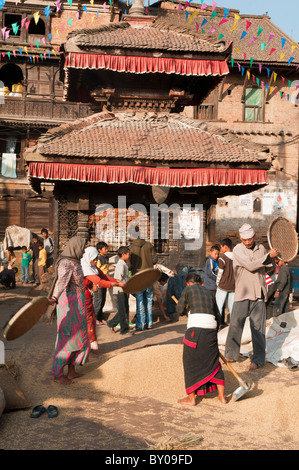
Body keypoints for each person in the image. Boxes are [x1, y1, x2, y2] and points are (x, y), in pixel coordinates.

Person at [224, 223, 278, 371]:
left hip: (259, 292)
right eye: (244, 240)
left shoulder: (261, 249)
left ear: (254, 236)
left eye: (249, 239)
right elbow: (251, 265)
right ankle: (230, 354)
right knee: (235, 324)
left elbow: (268, 269)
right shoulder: (237, 250)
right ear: (240, 238)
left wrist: (274, 260)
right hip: (243, 291)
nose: (247, 242)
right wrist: (268, 257)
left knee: (258, 328)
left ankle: (258, 360)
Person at [176, 272, 226, 406]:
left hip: (195, 332)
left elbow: (180, 310)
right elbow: (218, 315)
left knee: (190, 362)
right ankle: (222, 396)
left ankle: (191, 398)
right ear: (201, 283)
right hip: (211, 332)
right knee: (213, 362)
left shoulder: (188, 290)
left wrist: (186, 309)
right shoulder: (209, 293)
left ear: (188, 283)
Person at [48, 237, 90, 385]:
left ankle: (71, 371)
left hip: (78, 305)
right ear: (76, 247)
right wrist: (54, 297)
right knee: (66, 339)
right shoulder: (66, 263)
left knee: (78, 338)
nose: (84, 251)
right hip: (69, 306)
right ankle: (58, 374)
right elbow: (61, 283)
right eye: (83, 248)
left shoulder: (75, 262)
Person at [81, 246, 123, 330]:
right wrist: (115, 284)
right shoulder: (85, 268)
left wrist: (117, 280)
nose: (96, 261)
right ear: (88, 258)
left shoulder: (93, 267)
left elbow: (104, 277)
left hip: (88, 296)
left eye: (97, 259)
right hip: (81, 297)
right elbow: (99, 281)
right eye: (94, 259)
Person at [129, 234, 157, 331]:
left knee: (139, 301)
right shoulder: (149, 245)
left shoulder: (131, 248)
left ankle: (140, 325)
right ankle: (149, 323)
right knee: (149, 300)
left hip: (138, 278)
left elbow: (129, 265)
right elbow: (155, 260)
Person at [106, 246, 134, 336]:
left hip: (123, 290)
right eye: (128, 254)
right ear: (123, 254)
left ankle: (111, 323)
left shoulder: (123, 263)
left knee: (124, 310)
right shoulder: (120, 264)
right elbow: (117, 278)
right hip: (120, 290)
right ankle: (124, 330)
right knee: (123, 311)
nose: (129, 256)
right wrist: (122, 284)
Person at [215, 238, 235, 328]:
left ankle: (216, 325)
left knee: (218, 306)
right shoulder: (237, 257)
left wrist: (217, 282)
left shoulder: (222, 257)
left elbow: (220, 272)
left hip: (223, 285)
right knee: (232, 308)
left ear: (225, 247)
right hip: (233, 286)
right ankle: (233, 326)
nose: (221, 249)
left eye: (221, 247)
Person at [93, 241, 109, 324]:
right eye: (105, 249)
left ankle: (100, 317)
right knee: (98, 300)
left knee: (103, 300)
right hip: (99, 283)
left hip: (104, 282)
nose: (107, 250)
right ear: (99, 250)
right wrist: (95, 284)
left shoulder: (106, 257)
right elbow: (95, 272)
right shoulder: (98, 259)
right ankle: (94, 317)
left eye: (107, 248)